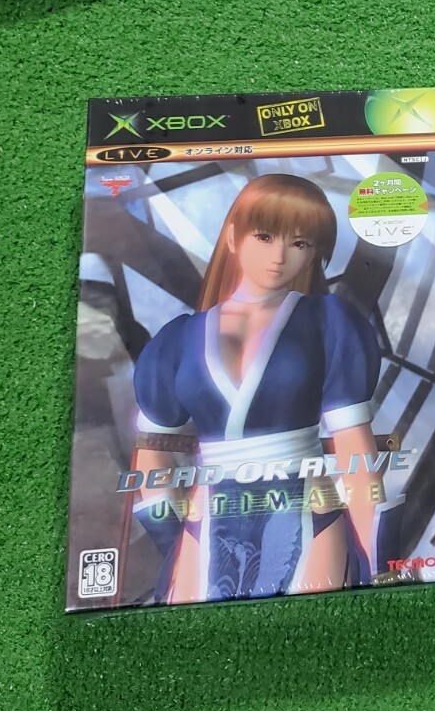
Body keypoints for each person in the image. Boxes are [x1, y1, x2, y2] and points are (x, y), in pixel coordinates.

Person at [131, 173, 383, 603]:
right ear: (233, 237)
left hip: (308, 506)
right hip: (208, 516)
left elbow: (354, 450)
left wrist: (374, 561)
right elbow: (151, 452)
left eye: (299, 243)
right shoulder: (178, 339)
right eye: (264, 236)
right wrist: (173, 541)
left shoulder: (329, 321)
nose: (279, 256)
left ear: (315, 253)